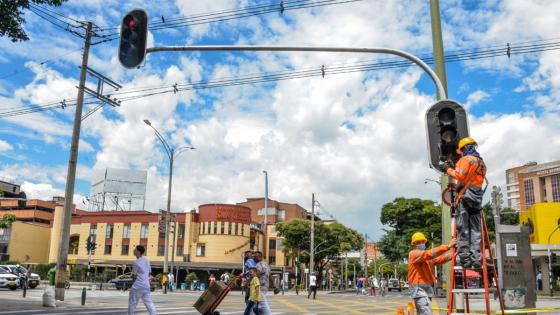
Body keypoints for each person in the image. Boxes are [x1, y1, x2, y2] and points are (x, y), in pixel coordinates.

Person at [442, 137, 487, 269]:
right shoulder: (482, 162)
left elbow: (460, 176)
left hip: (465, 197)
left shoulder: (465, 159)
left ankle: (465, 258)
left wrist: (448, 169)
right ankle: (476, 258)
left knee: (463, 229)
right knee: (475, 229)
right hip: (477, 198)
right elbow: (473, 179)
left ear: (464, 149)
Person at [408, 232, 456, 315]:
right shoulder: (414, 254)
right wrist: (448, 246)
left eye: (422, 242)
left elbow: (440, 259)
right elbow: (429, 254)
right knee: (426, 313)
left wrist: (454, 254)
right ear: (414, 245)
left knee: (424, 312)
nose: (421, 244)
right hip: (419, 290)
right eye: (418, 242)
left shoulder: (426, 257)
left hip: (426, 290)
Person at [128, 245, 157, 315]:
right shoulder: (147, 260)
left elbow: (134, 276)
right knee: (149, 303)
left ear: (138, 251)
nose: (134, 251)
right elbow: (149, 272)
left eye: (135, 249)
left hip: (138, 285)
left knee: (132, 303)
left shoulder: (136, 262)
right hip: (146, 285)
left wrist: (133, 285)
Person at [254, 251, 273, 315]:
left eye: (255, 257)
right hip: (265, 286)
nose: (254, 258)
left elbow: (256, 275)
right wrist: (274, 286)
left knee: (263, 303)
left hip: (260, 286)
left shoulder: (258, 265)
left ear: (260, 257)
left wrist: (249, 282)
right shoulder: (266, 264)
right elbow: (270, 275)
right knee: (259, 304)